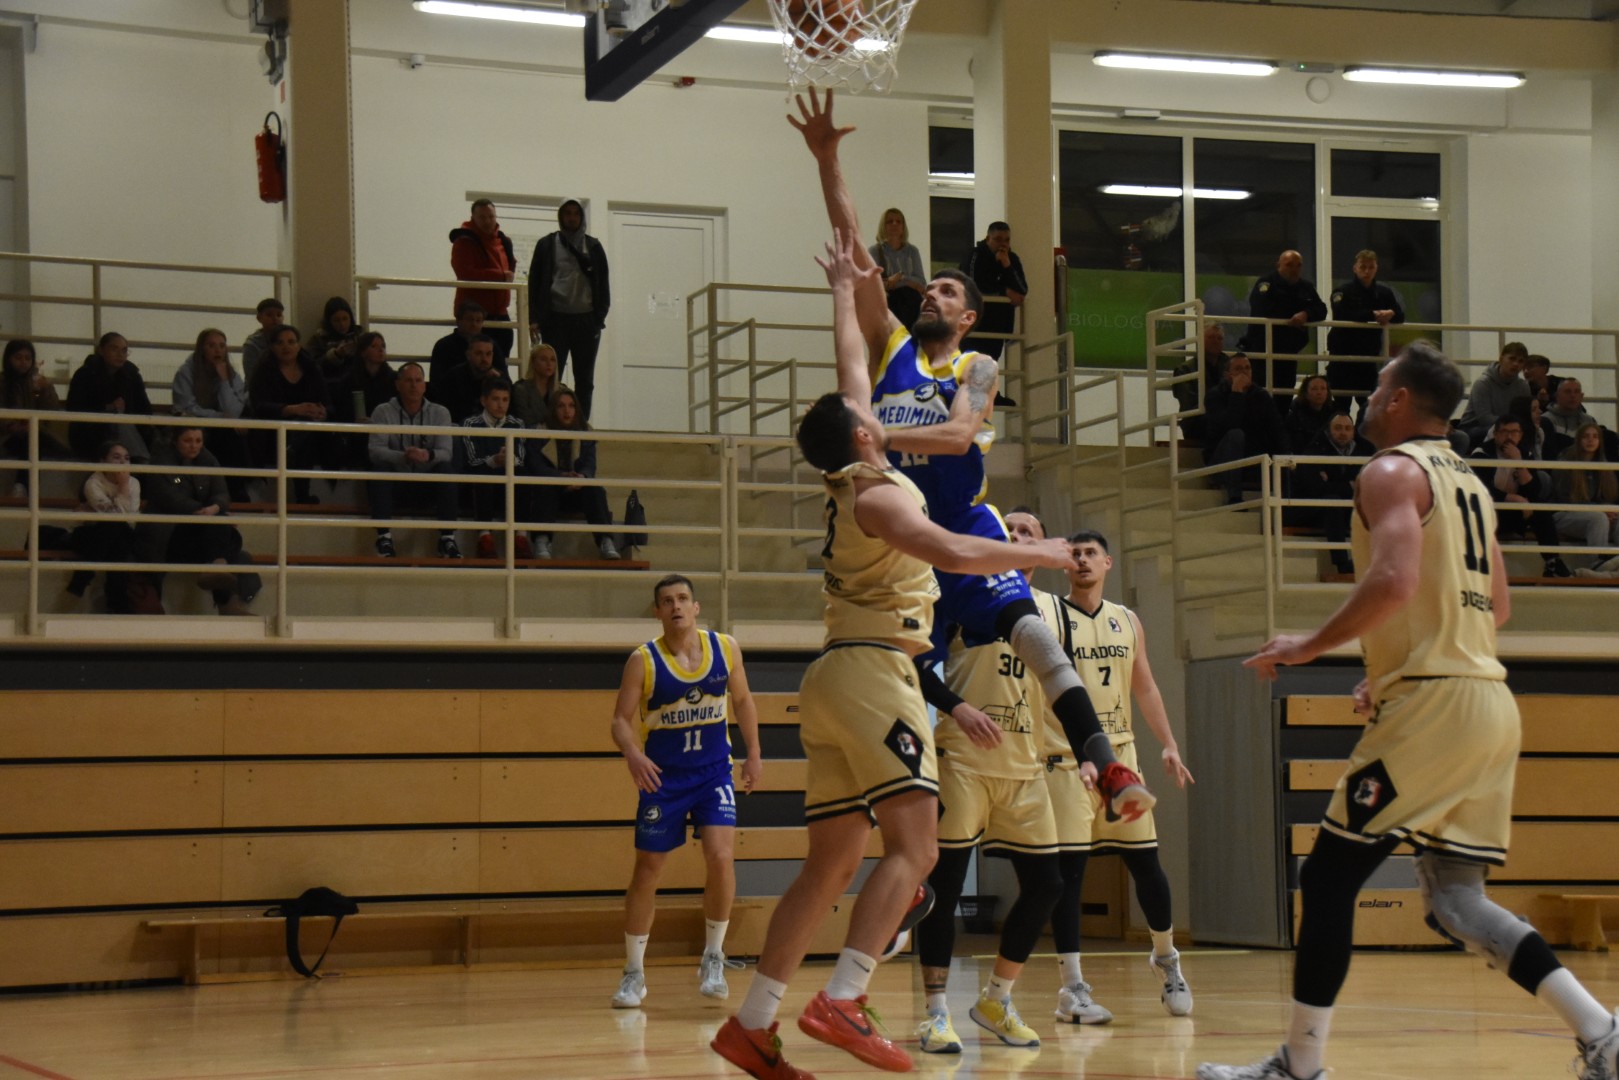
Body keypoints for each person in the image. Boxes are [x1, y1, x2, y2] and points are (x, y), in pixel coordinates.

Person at [709, 228, 1079, 1080]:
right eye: (866, 412)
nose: (872, 404)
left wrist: (845, 292)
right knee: (916, 849)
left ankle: (752, 1023)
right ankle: (844, 994)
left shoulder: (853, 464)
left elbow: (850, 364)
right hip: (878, 671)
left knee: (829, 865)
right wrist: (1041, 552)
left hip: (837, 675)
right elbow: (951, 550)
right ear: (861, 435)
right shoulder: (876, 491)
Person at [1199, 341, 1619, 1080]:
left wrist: (1308, 645)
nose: (1365, 400)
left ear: (1397, 400)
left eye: (1376, 388)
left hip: (1434, 704)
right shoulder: (1470, 483)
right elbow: (1498, 603)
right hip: (1486, 698)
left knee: (1328, 879)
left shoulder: (1390, 471)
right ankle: (1603, 1034)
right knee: (1455, 901)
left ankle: (1300, 1065)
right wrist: (1396, 662)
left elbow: (1393, 580)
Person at [790, 88, 1154, 824]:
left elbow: (958, 438)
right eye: (928, 286)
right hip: (899, 545)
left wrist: (874, 434)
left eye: (948, 290)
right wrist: (827, 159)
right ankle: (907, 842)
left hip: (959, 519)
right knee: (908, 680)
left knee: (1033, 632)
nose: (932, 293)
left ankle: (1107, 763)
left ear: (969, 316)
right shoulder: (890, 346)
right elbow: (855, 251)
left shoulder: (976, 366)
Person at [909, 507, 1069, 1056]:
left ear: (1039, 550)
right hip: (965, 759)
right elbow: (917, 668)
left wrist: (1084, 756)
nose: (1017, 536)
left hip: (1026, 765)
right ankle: (935, 1013)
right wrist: (957, 708)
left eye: (1028, 532)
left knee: (1047, 885)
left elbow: (1061, 690)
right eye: (1010, 530)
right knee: (946, 888)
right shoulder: (959, 593)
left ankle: (996, 999)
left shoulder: (1049, 614)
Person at [1043, 526, 1195, 1027]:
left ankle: (1167, 959)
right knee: (1069, 875)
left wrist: (1169, 743)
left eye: (1092, 553)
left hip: (1120, 758)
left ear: (1108, 563)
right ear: (1065, 564)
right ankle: (1072, 987)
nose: (1083, 560)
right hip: (1067, 760)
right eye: (1076, 553)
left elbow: (1144, 686)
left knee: (1147, 865)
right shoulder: (1049, 615)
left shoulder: (1127, 620)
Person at [609, 574, 762, 1009]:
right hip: (665, 778)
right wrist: (633, 754)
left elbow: (743, 700)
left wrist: (754, 753)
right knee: (648, 870)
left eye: (682, 599)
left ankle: (713, 956)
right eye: (667, 601)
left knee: (721, 856)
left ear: (696, 608)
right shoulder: (643, 660)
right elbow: (620, 720)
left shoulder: (725, 648)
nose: (675, 606)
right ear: (657, 611)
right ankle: (634, 972)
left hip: (713, 774)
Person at [142, 426, 260, 616]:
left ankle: (217, 566)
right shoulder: (161, 461)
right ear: (175, 440)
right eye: (187, 440)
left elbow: (222, 493)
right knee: (229, 536)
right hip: (169, 532)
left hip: (202, 530)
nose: (194, 446)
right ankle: (227, 601)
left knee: (224, 531)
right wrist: (202, 511)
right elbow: (170, 498)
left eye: (198, 440)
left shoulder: (208, 459)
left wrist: (215, 507)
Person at [367, 362, 460, 560]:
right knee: (379, 470)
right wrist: (403, 456)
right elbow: (375, 451)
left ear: (424, 386)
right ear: (397, 384)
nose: (413, 386)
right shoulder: (382, 411)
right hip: (396, 481)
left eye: (418, 381)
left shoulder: (440, 412)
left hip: (428, 482)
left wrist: (427, 455)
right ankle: (384, 538)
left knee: (446, 469)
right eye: (408, 380)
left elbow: (446, 452)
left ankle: (447, 539)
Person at [528, 199, 610, 421]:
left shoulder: (593, 247)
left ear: (581, 217)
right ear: (561, 216)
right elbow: (535, 282)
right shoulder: (547, 245)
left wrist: (598, 317)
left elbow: (603, 283)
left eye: (576, 213)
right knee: (550, 376)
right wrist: (534, 318)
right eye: (568, 213)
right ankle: (550, 423)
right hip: (555, 319)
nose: (572, 218)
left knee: (585, 379)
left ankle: (580, 426)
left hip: (586, 321)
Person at [1470, 416, 1570, 579]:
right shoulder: (1482, 453)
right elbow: (1481, 489)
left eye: (1514, 432)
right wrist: (1514, 498)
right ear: (1495, 434)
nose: (1509, 437)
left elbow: (1534, 489)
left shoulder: (1524, 453)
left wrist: (1519, 463)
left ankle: (1552, 562)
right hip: (1489, 511)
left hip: (1515, 512)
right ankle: (1477, 570)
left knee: (1539, 507)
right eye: (1504, 432)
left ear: (1521, 435)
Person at [247, 324, 336, 505]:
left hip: (309, 429)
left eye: (291, 342)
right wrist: (291, 409)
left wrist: (322, 412)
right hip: (273, 431)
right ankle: (302, 494)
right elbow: (259, 406)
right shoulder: (263, 370)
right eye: (280, 343)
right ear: (272, 347)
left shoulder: (312, 369)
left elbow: (328, 404)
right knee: (301, 431)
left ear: (299, 345)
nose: (286, 347)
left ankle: (293, 455)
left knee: (305, 430)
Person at [530, 386, 618, 561]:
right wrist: (560, 478)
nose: (567, 411)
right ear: (553, 409)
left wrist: (581, 478)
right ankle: (542, 540)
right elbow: (536, 467)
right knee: (544, 488)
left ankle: (605, 541)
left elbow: (590, 465)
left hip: (577, 489)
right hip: (551, 489)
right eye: (561, 406)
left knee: (595, 489)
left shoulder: (585, 433)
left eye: (571, 406)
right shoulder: (539, 432)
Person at [1238, 249, 1327, 412]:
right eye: (1289, 265)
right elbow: (1262, 309)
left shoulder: (1305, 287)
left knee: (1284, 398)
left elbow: (1321, 309)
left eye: (1298, 265)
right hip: (1263, 351)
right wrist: (1293, 315)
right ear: (1278, 265)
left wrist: (1306, 314)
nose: (1294, 269)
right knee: (1259, 397)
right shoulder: (1266, 284)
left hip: (1288, 352)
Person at [171, 328, 251, 500]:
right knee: (224, 436)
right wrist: (219, 417)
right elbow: (187, 407)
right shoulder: (186, 372)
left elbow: (233, 411)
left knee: (234, 435)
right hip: (195, 425)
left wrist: (223, 381)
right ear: (201, 349)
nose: (218, 350)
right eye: (211, 345)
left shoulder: (231, 374)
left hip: (223, 427)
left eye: (222, 346)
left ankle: (236, 488)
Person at [460, 375, 531, 560]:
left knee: (522, 473)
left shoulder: (517, 424)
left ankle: (521, 537)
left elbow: (521, 458)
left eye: (505, 400)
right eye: (496, 399)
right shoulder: (471, 423)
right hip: (480, 484)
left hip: (508, 482)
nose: (501, 405)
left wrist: (508, 459)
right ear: (484, 400)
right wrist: (493, 460)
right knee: (483, 473)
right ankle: (484, 536)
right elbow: (471, 460)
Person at [66, 440, 142, 613]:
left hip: (118, 534)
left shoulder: (133, 483)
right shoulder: (93, 483)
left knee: (118, 534)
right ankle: (117, 603)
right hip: (91, 533)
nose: (123, 462)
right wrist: (123, 491)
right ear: (103, 461)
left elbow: (127, 519)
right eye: (116, 457)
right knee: (115, 535)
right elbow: (114, 516)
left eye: (127, 458)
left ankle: (82, 577)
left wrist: (123, 485)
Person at [1204, 353, 1291, 504]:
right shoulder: (1215, 396)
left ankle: (1286, 506)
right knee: (1236, 435)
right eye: (1238, 369)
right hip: (1222, 458)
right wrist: (1236, 393)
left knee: (1283, 451)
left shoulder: (1261, 396)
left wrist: (1287, 456)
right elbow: (1229, 425)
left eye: (1247, 368)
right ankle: (1234, 497)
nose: (1244, 372)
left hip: (1253, 457)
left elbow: (1277, 428)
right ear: (1227, 374)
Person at [1325, 250, 1403, 415]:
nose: (1367, 271)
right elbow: (1342, 314)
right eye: (1363, 267)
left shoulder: (1384, 293)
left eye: (1371, 267)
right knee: (1341, 408)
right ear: (1355, 268)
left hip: (1368, 357)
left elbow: (1400, 315)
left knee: (1368, 408)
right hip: (1342, 355)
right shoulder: (1342, 291)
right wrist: (1373, 315)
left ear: (1376, 268)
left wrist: (1391, 314)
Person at [1295, 412, 1374, 575]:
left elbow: (1367, 487)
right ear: (1328, 431)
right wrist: (1349, 485)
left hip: (1348, 511)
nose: (1343, 432)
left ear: (1353, 432)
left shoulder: (1364, 453)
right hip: (1316, 511)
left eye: (1347, 428)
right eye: (1337, 428)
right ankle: (1342, 563)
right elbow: (1315, 488)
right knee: (1332, 501)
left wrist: (1331, 482)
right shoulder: (1315, 450)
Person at [66, 332, 154, 462]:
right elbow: (74, 408)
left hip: (130, 429)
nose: (120, 355)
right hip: (91, 431)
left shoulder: (132, 375)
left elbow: (145, 408)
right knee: (117, 419)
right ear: (101, 350)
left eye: (124, 351)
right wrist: (108, 407)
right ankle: (139, 459)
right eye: (114, 349)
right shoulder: (85, 374)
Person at [449, 198, 516, 362]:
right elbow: (465, 273)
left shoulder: (504, 241)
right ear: (473, 218)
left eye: (491, 216)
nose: (487, 221)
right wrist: (500, 277)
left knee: (501, 363)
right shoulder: (464, 241)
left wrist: (504, 277)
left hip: (500, 313)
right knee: (473, 363)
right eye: (482, 217)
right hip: (473, 316)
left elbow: (510, 268)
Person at [2, 338, 69, 497]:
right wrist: (12, 426)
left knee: (34, 438)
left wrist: (46, 390)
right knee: (30, 440)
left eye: (28, 358)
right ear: (8, 359)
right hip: (7, 436)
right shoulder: (2, 383)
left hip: (37, 432)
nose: (23, 363)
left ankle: (22, 487)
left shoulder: (38, 382)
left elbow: (53, 412)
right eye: (18, 358)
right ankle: (25, 489)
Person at [1553, 422, 1619, 577]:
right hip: (1565, 514)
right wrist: (1600, 510)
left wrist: (1609, 511)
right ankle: (1597, 562)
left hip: (1596, 514)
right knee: (1598, 518)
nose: (1591, 440)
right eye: (1586, 436)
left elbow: (1608, 497)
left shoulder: (1603, 466)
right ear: (1578, 439)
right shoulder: (1566, 463)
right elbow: (1565, 499)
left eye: (1595, 437)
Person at [960, 220, 1026, 361]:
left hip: (998, 326)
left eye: (1007, 240)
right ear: (988, 239)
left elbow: (1022, 289)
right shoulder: (974, 255)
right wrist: (1004, 291)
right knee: (968, 365)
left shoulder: (1012, 259)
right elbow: (973, 284)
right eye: (998, 239)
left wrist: (1007, 266)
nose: (1003, 244)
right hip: (973, 325)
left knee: (988, 367)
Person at [1457, 342, 1531, 449]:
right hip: (1473, 428)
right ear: (1501, 359)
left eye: (1521, 361)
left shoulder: (1523, 386)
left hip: (1508, 427)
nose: (1516, 364)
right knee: (1499, 433)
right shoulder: (1482, 383)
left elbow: (1525, 416)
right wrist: (1511, 426)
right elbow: (1484, 418)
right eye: (1512, 359)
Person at [1171, 322, 1231, 443]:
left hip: (1223, 419)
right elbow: (1189, 405)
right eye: (1211, 337)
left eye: (1219, 338)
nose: (1215, 341)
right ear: (1199, 340)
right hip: (1197, 423)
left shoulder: (1231, 365)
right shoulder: (1185, 369)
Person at [868, 207, 925, 329]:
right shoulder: (875, 251)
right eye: (890, 221)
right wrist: (908, 282)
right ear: (883, 226)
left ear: (903, 227)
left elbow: (921, 283)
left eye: (898, 222)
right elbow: (873, 284)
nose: (895, 224)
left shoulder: (912, 251)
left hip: (912, 308)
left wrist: (899, 278)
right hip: (888, 306)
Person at [432, 334, 507, 425]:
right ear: (468, 355)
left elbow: (507, 412)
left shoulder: (499, 378)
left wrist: (493, 384)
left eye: (488, 354)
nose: (484, 359)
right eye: (479, 353)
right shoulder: (453, 378)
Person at [304, 296, 362, 378]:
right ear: (329, 321)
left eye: (345, 319)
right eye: (336, 320)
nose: (342, 324)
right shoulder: (319, 339)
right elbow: (311, 366)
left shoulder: (360, 335)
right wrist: (336, 354)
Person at [510, 343, 561, 432]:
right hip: (529, 436)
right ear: (533, 362)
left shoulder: (561, 390)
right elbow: (524, 421)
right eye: (543, 359)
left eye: (553, 360)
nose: (549, 363)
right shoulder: (521, 389)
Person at [428, 302, 485, 380]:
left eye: (478, 320)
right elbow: (436, 380)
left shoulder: (490, 345)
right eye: (469, 320)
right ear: (458, 321)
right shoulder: (443, 346)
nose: (474, 324)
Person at [1284, 375, 1335, 454]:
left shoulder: (1335, 413)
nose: (1319, 392)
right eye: (1314, 389)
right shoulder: (1294, 414)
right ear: (1305, 393)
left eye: (1323, 388)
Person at [241, 297, 284, 384]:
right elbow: (252, 376)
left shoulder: (288, 341)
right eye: (269, 315)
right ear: (259, 318)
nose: (275, 318)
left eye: (279, 315)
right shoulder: (252, 345)